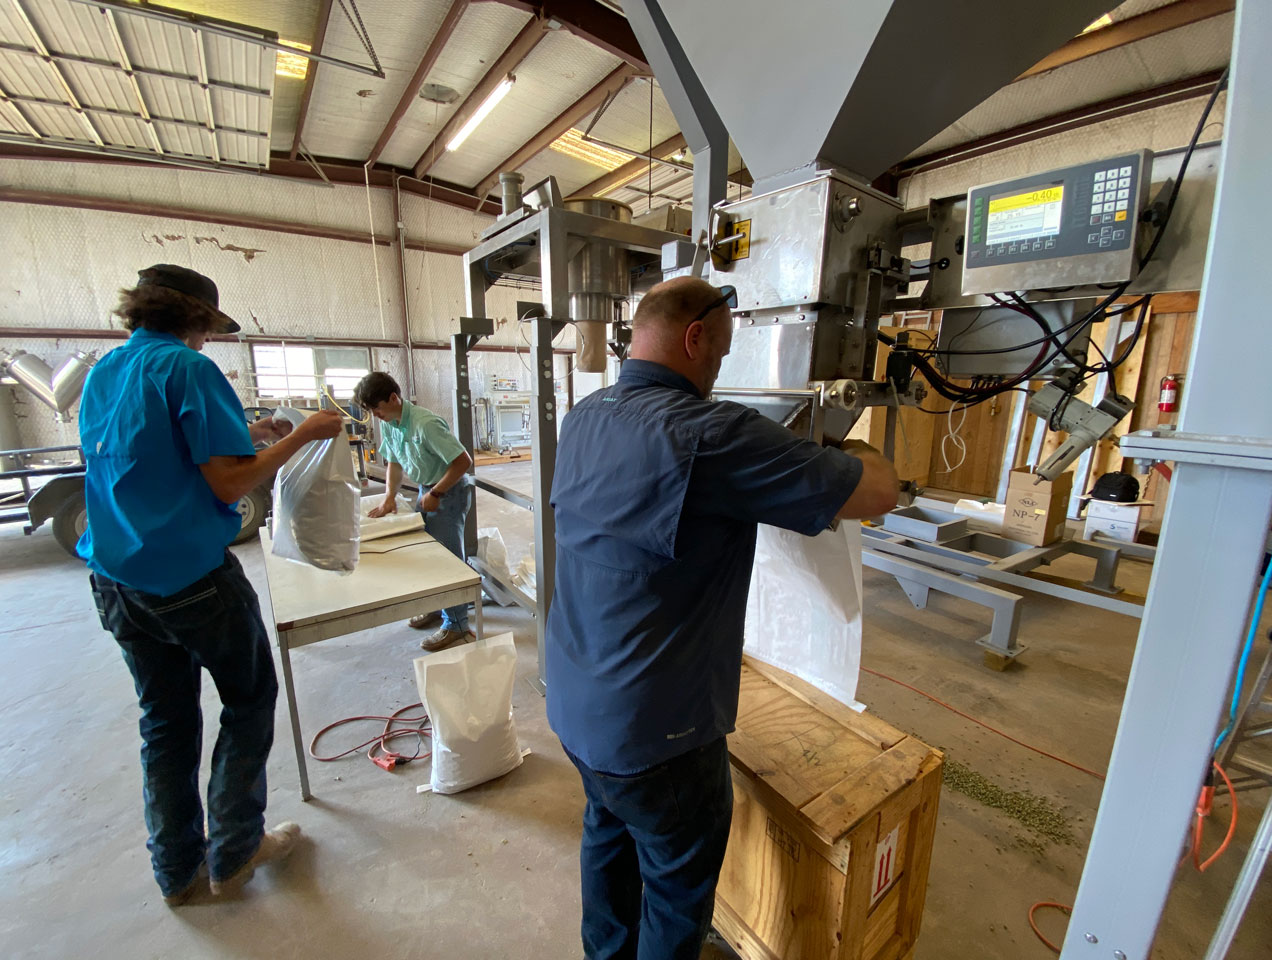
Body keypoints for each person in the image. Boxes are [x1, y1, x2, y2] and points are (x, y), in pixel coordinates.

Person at [546, 276, 900, 960]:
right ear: (696, 336)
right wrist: (854, 448)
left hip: (574, 705)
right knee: (677, 884)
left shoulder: (585, 416)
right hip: (659, 734)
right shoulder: (714, 434)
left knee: (609, 832)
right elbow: (876, 492)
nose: (717, 371)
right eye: (721, 352)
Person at [79, 264, 344, 906]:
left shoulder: (104, 372)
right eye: (208, 329)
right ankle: (234, 852)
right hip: (189, 580)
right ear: (195, 318)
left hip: (115, 581)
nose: (207, 341)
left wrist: (248, 435)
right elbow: (227, 485)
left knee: (165, 724)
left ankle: (175, 873)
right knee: (249, 703)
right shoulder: (188, 368)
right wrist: (306, 433)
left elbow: (151, 452)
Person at [353, 372, 474, 651]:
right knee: (428, 556)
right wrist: (389, 498)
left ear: (393, 398)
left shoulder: (425, 424)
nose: (376, 416)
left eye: (377, 409)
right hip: (427, 489)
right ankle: (437, 607)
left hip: (448, 491)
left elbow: (462, 461)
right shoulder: (391, 423)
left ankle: (457, 624)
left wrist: (437, 493)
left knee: (447, 560)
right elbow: (394, 462)